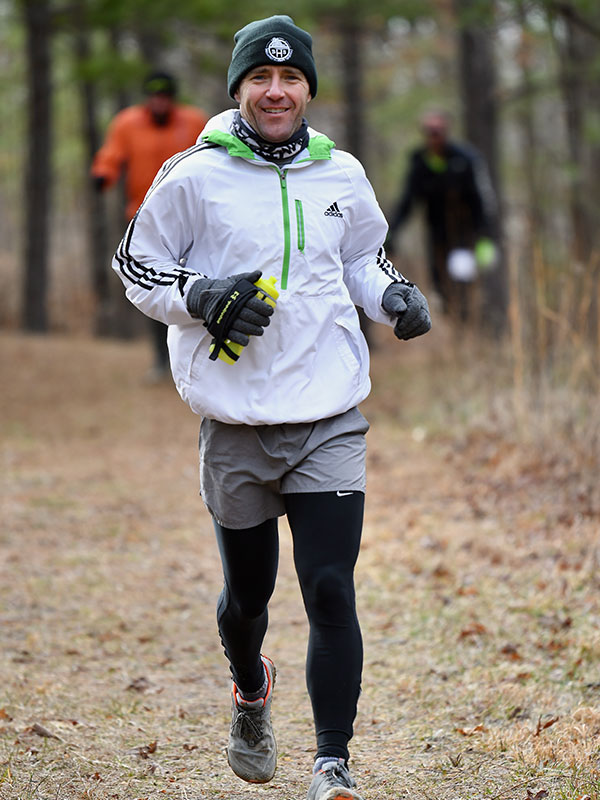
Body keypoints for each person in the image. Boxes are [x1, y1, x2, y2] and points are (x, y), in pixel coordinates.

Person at [111, 16, 431, 800]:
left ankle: (332, 765)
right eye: (261, 78)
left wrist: (391, 296)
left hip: (327, 414)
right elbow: (135, 264)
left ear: (309, 88)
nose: (277, 91)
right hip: (237, 424)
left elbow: (362, 256)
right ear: (240, 88)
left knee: (329, 587)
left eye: (291, 79)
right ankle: (250, 686)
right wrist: (203, 296)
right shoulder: (193, 174)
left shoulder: (342, 174)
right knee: (245, 603)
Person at [91, 70, 209, 380]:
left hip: (194, 219)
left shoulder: (193, 121)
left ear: (172, 98)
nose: (159, 102)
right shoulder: (127, 123)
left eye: (165, 96)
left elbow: (215, 153)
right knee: (158, 287)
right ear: (147, 98)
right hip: (145, 219)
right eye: (154, 96)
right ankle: (161, 360)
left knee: (198, 284)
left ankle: (200, 358)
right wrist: (103, 174)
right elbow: (111, 153)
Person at [387, 110, 497, 322]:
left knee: (462, 281)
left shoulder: (466, 159)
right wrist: (393, 230)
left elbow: (482, 200)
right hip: (436, 236)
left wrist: (485, 238)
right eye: (429, 131)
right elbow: (408, 201)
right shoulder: (419, 162)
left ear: (446, 132)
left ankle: (470, 328)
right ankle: (455, 330)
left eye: (438, 131)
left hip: (465, 237)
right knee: (440, 287)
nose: (434, 136)